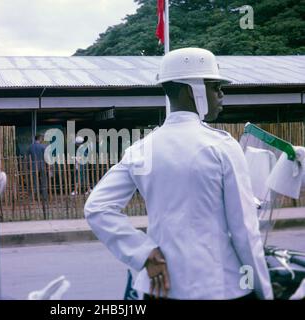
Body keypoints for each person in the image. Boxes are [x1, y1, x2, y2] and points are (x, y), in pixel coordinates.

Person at [84, 48, 273, 300]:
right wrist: (264, 290)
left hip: (159, 289)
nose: (221, 94)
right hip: (219, 288)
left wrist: (143, 253)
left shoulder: (142, 150)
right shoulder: (222, 146)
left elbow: (97, 208)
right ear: (191, 89)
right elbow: (244, 232)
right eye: (215, 86)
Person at [28, 134, 48, 217]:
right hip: (42, 165)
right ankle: (44, 196)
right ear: (39, 139)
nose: (42, 139)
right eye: (42, 138)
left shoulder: (30, 147)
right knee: (43, 182)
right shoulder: (43, 147)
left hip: (33, 166)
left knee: (35, 181)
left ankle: (35, 196)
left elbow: (27, 157)